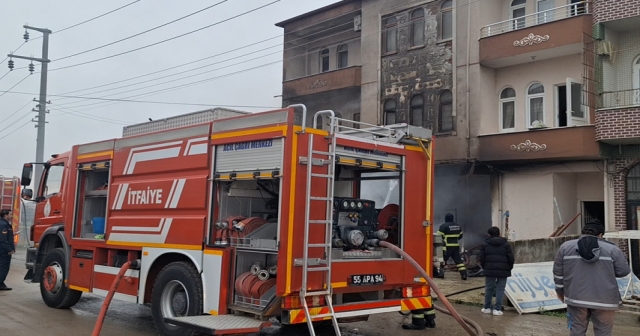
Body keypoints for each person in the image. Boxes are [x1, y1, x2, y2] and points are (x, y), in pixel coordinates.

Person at [553, 220, 630, 336]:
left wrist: (560, 291)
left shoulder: (565, 247)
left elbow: (558, 273)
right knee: (603, 332)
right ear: (601, 235)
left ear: (583, 232)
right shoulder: (613, 250)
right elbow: (623, 272)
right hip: (605, 300)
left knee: (576, 331)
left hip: (576, 298)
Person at [478, 226, 514, 316]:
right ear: (499, 234)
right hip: (503, 269)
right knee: (500, 289)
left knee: (489, 288)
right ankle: (497, 309)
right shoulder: (506, 244)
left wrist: (485, 267)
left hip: (489, 269)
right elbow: (511, 258)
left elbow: (481, 258)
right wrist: (509, 267)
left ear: (489, 234)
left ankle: (487, 308)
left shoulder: (485, 244)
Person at [437, 213, 467, 280]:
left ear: (445, 218)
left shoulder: (443, 226)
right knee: (459, 261)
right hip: (456, 246)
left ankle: (441, 274)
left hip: (447, 247)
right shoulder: (458, 226)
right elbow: (460, 236)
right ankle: (464, 275)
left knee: (443, 260)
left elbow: (438, 236)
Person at [0, 209, 15, 291]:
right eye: (10, 214)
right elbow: (2, 239)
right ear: (5, 215)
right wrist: (9, 249)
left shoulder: (3, 224)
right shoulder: (3, 225)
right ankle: (0, 284)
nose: (11, 216)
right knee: (3, 267)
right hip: (3, 250)